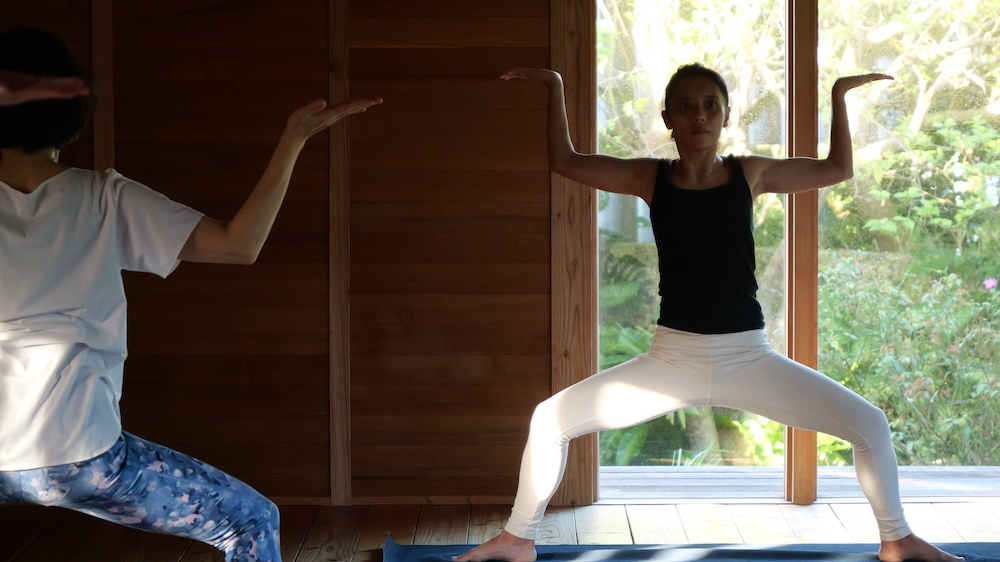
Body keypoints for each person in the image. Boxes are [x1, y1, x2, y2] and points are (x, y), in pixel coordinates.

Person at [453, 65, 963, 562]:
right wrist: (555, 85)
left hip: (749, 358)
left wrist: (838, 95)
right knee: (549, 420)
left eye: (711, 105)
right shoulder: (649, 177)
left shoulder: (750, 172)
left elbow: (836, 169)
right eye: (686, 105)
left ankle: (897, 540)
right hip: (671, 360)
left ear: (725, 116)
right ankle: (517, 539)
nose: (699, 115)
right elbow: (566, 160)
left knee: (870, 424)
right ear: (668, 118)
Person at [0, 27, 380, 561]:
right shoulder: (103, 196)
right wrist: (293, 139)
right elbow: (238, 244)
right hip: (77, 455)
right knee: (252, 521)